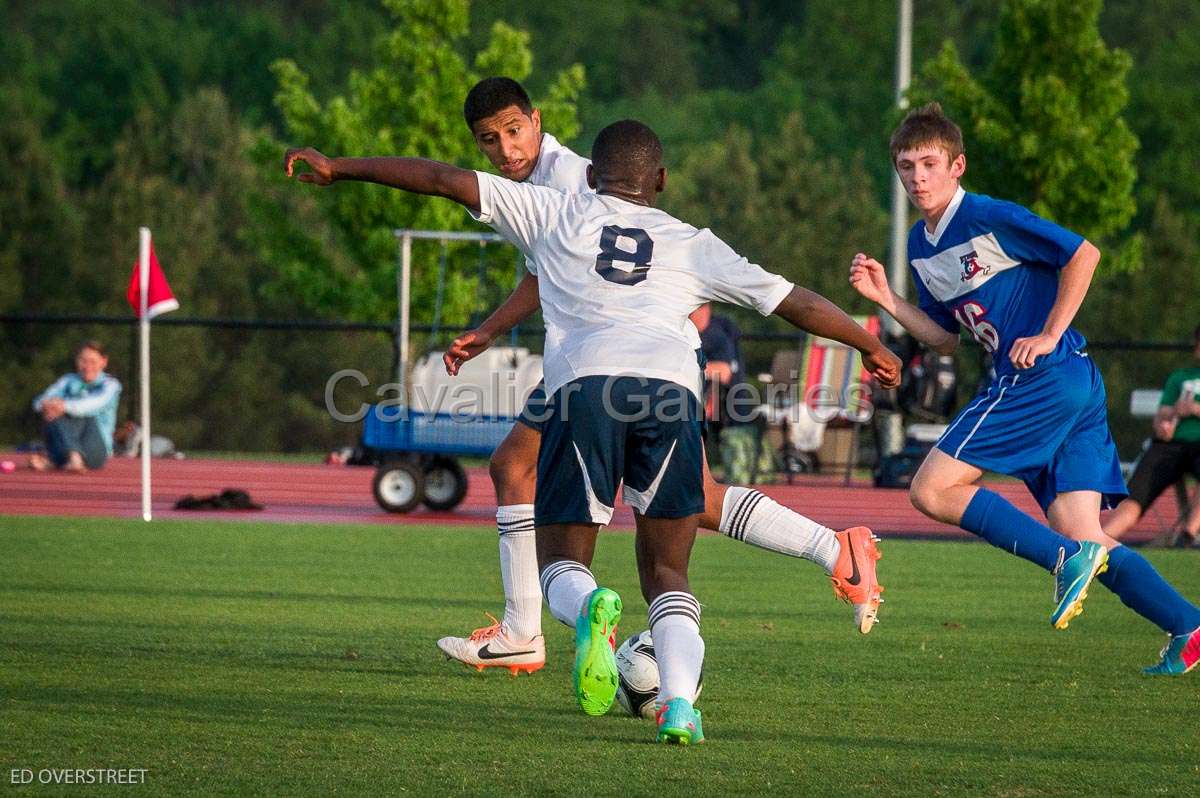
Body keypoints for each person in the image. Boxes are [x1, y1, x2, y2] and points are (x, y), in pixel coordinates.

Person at [284, 119, 902, 742]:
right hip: (672, 392)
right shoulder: (691, 241)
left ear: (591, 176)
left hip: (587, 387)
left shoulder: (552, 211)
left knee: (561, 561)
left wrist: (340, 166)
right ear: (660, 180)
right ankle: (681, 706)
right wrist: (865, 344)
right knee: (668, 574)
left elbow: (442, 179)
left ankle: (581, 615)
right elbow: (795, 300)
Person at [432, 78, 890, 677]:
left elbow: (563, 265)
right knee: (669, 493)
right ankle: (834, 548)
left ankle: (526, 629)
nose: (505, 149)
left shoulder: (574, 181)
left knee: (525, 469)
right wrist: (491, 330)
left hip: (609, 354)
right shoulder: (543, 184)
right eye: (489, 140)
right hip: (643, 362)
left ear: (537, 123)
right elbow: (544, 274)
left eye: (513, 131)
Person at [850, 102, 1200, 676]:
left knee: (931, 490)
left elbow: (1084, 254)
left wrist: (1047, 333)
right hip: (1070, 383)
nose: (917, 177)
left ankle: (1065, 560)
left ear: (957, 165)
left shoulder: (988, 215)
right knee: (1091, 536)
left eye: (929, 163)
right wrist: (889, 301)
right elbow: (942, 339)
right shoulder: (920, 245)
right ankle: (1188, 625)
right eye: (906, 166)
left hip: (1042, 375)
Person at [1102, 325, 1200, 546]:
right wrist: (1165, 423)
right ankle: (1099, 541)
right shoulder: (1181, 377)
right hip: (1170, 446)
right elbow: (1162, 414)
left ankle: (1187, 535)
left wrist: (1194, 409)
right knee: (1137, 492)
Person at [691, 302, 769, 483]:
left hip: (725, 403)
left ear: (705, 308)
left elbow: (724, 372)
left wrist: (685, 368)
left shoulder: (716, 335)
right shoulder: (688, 333)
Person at [29, 340, 122, 472]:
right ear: (76, 361)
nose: (87, 366)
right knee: (53, 412)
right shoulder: (68, 380)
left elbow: (90, 406)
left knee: (80, 414)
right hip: (63, 448)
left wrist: (62, 406)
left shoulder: (110, 385)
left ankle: (70, 458)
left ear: (104, 361)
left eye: (93, 361)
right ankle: (67, 458)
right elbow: (39, 402)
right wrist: (47, 405)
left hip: (94, 451)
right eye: (83, 361)